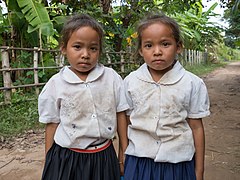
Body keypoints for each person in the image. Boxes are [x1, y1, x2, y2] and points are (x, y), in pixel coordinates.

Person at [38, 14, 129, 180]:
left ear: (99, 51)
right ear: (64, 48)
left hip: (104, 156)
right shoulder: (55, 84)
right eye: (77, 47)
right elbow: (52, 124)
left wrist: (123, 151)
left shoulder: (111, 78)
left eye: (93, 48)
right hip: (68, 158)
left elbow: (121, 114)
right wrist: (49, 162)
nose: (85, 54)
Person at [123, 12, 210, 180]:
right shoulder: (130, 82)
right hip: (139, 162)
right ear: (140, 50)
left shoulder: (192, 83)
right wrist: (125, 156)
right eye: (149, 45)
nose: (157, 51)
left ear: (178, 46)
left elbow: (196, 127)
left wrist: (199, 170)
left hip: (178, 163)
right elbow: (126, 122)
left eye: (165, 44)